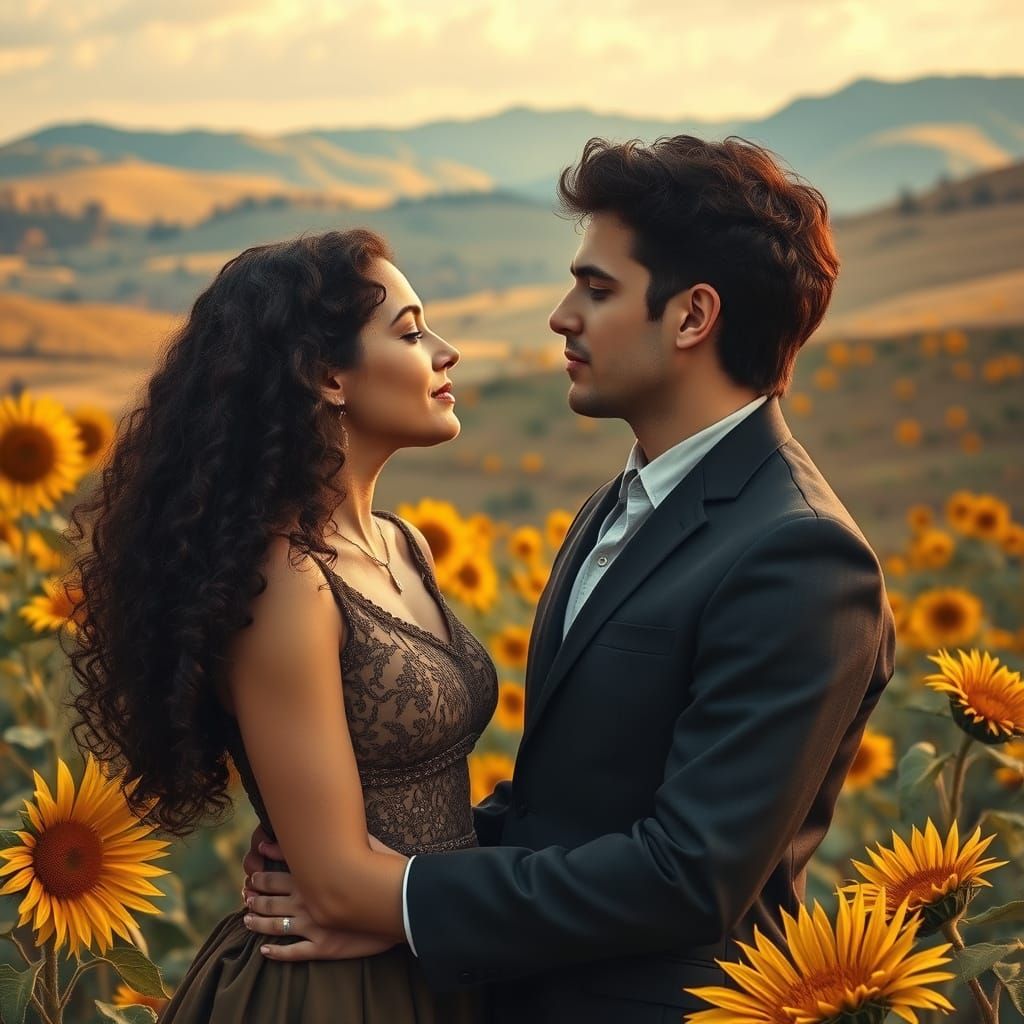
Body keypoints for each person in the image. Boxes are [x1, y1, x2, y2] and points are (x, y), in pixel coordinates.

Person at [242, 135, 896, 1023]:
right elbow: (571, 808)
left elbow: (690, 874)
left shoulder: (800, 555)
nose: (560, 315)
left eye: (596, 288)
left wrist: (399, 898)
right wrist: (354, 861)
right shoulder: (615, 506)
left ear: (694, 316)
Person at [67, 229, 496, 1022]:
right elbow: (331, 882)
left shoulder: (404, 543)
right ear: (328, 375)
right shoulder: (287, 582)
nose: (447, 352)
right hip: (337, 991)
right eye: (409, 331)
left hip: (434, 961)